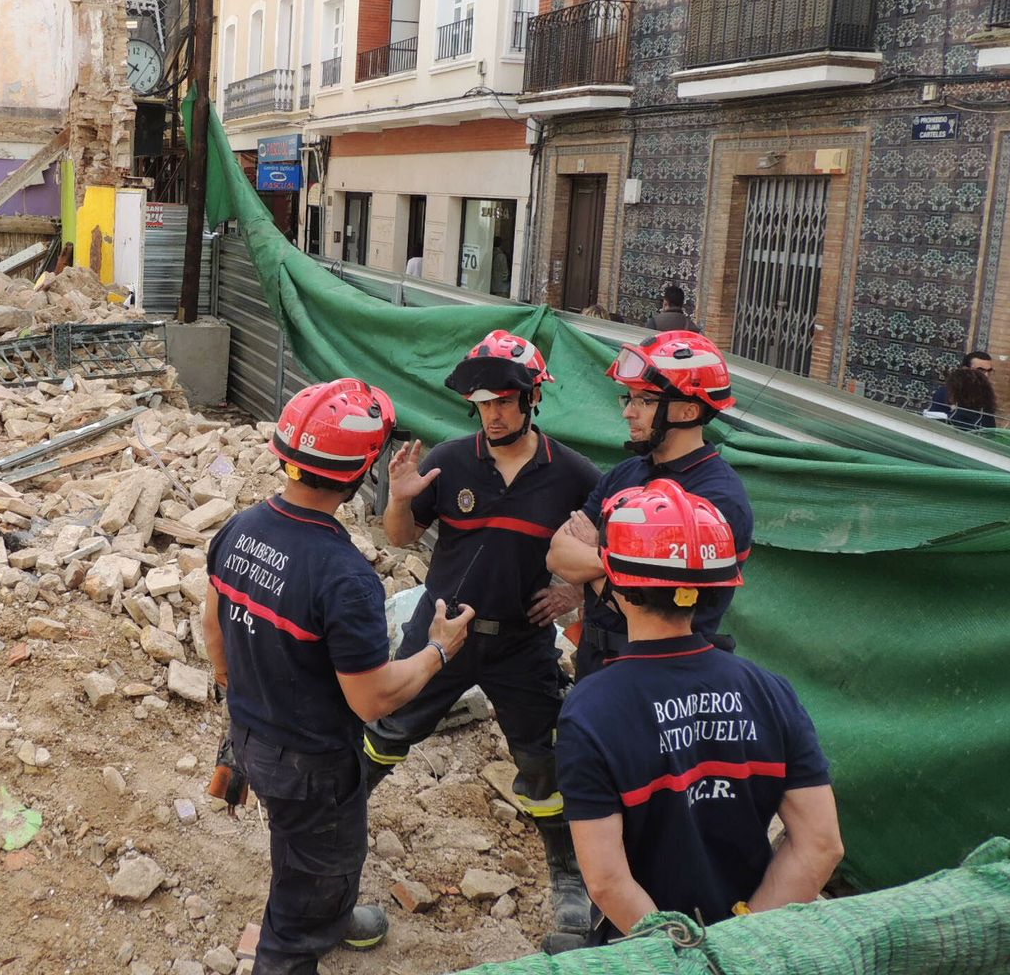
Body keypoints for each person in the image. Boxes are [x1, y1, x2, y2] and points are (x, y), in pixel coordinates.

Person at [202, 378, 475, 975]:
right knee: (306, 892)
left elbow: (214, 628)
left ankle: (330, 906)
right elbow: (373, 698)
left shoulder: (241, 527)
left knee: (301, 843)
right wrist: (438, 650)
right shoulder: (343, 574)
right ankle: (302, 932)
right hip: (312, 763)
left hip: (252, 736)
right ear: (363, 469)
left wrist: (242, 699)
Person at [366, 331, 601, 952]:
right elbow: (397, 539)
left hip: (523, 643)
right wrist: (400, 497)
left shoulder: (574, 475)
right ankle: (334, 837)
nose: (492, 413)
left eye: (504, 401)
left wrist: (573, 593)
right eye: (482, 402)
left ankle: (570, 876)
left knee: (543, 761)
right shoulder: (451, 460)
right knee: (385, 731)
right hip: (441, 631)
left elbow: (604, 549)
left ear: (531, 399)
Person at [556, 480, 843, 942]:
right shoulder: (770, 690)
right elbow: (821, 844)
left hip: (644, 950)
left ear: (618, 584)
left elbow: (608, 881)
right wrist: (738, 943)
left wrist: (689, 957)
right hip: (748, 948)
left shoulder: (590, 711)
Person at [547, 331, 753, 679]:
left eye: (644, 400)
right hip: (596, 664)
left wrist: (596, 553)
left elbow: (657, 616)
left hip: (662, 677)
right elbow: (557, 554)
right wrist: (626, 569)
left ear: (688, 409)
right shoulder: (627, 472)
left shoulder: (717, 500)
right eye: (629, 398)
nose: (628, 412)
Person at [925, 350, 996, 429]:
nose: (986, 375)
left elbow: (989, 425)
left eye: (989, 371)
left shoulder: (985, 394)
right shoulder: (947, 392)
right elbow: (933, 423)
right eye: (981, 370)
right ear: (966, 369)